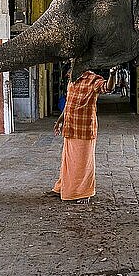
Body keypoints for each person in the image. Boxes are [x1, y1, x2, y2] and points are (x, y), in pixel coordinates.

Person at [49, 65, 117, 203]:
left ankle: (84, 192)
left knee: (83, 163)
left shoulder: (93, 80)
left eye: (68, 72)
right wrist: (59, 121)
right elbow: (68, 103)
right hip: (70, 128)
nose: (67, 75)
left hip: (84, 129)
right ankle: (64, 187)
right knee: (68, 161)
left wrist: (112, 74)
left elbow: (108, 88)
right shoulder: (72, 81)